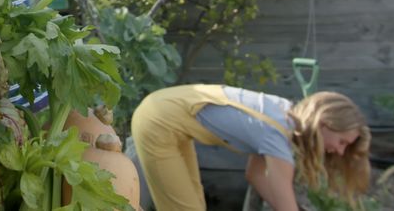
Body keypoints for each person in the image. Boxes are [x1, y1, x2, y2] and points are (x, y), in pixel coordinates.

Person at [131, 84, 371, 211]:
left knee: (193, 205)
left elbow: (255, 175)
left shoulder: (283, 114)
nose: (340, 152)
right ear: (325, 125)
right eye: (342, 142)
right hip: (158, 121)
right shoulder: (278, 138)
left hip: (165, 112)